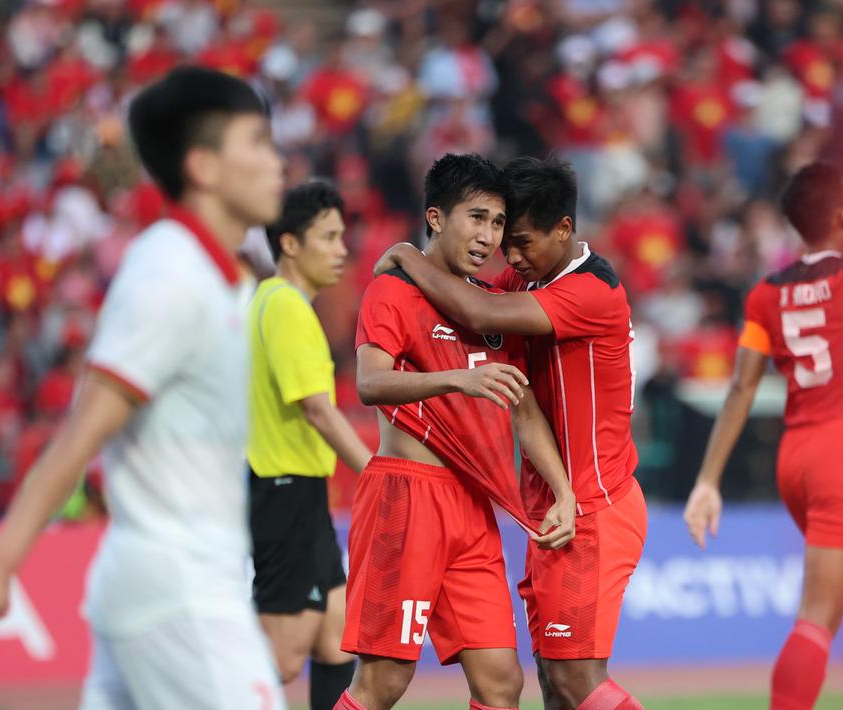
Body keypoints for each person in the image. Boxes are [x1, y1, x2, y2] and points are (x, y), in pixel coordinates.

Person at [0, 66, 288, 710]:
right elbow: (82, 433)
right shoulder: (170, 274)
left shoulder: (226, 279)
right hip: (179, 592)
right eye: (258, 143)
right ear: (203, 167)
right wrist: (0, 564)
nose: (279, 163)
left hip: (169, 584)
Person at [682, 12, 843, 710]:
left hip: (796, 457)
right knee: (816, 620)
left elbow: (741, 390)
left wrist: (708, 480)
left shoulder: (766, 294)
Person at [377, 156, 646, 710]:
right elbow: (461, 293)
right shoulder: (530, 278)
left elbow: (476, 310)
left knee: (576, 679)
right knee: (552, 683)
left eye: (522, 242)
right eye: (507, 243)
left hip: (593, 504)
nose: (513, 258)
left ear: (564, 229)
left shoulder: (592, 290)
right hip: (551, 507)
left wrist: (406, 254)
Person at [336, 153, 577, 710]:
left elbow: (523, 409)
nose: (488, 236)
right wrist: (457, 381)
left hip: (472, 506)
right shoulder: (392, 291)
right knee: (382, 683)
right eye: (477, 218)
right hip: (406, 497)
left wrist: (562, 490)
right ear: (437, 217)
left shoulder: (492, 308)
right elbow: (370, 383)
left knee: (501, 684)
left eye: (498, 222)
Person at [247, 181, 372, 708]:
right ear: (290, 244)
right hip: (285, 489)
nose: (342, 249)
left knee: (336, 637)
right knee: (279, 660)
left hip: (299, 492)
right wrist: (377, 473)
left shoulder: (273, 301)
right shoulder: (286, 306)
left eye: (342, 236)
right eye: (328, 236)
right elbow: (317, 409)